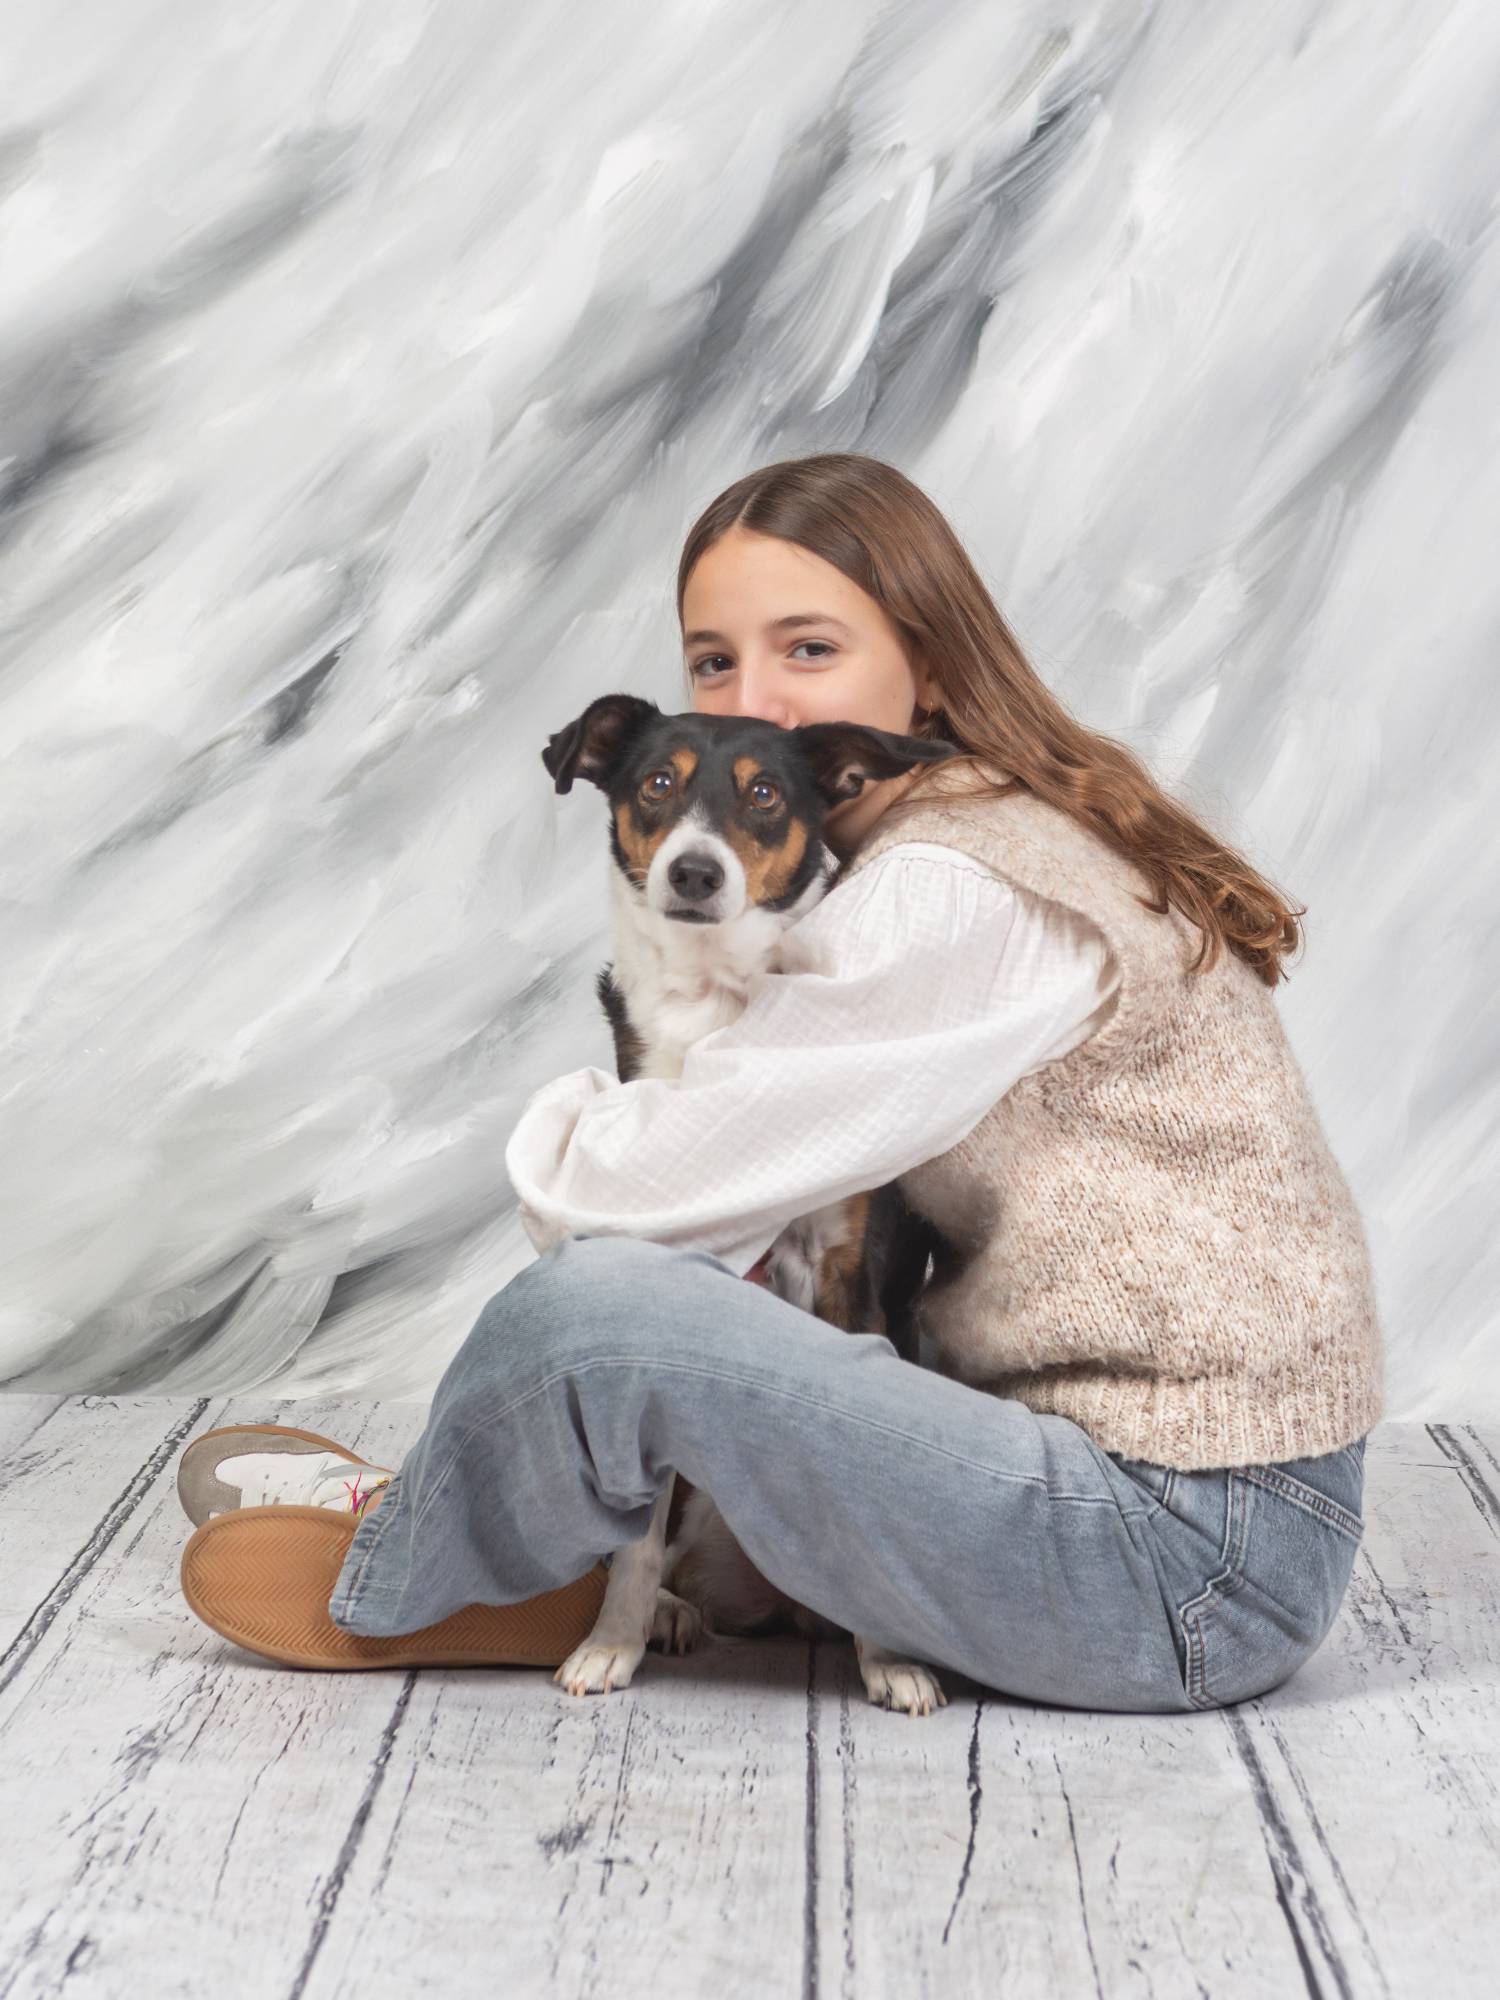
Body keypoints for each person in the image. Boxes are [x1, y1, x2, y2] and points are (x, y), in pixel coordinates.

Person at [176, 452, 1382, 1713]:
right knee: (656, 1309)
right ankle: (498, 1522)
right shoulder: (965, 833)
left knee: (597, 1306)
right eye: (713, 661)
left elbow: (624, 1204)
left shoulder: (954, 885)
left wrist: (586, 1116)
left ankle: (401, 1551)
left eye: (808, 648)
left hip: (1177, 1557)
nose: (757, 699)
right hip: (1160, 1511)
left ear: (929, 665)